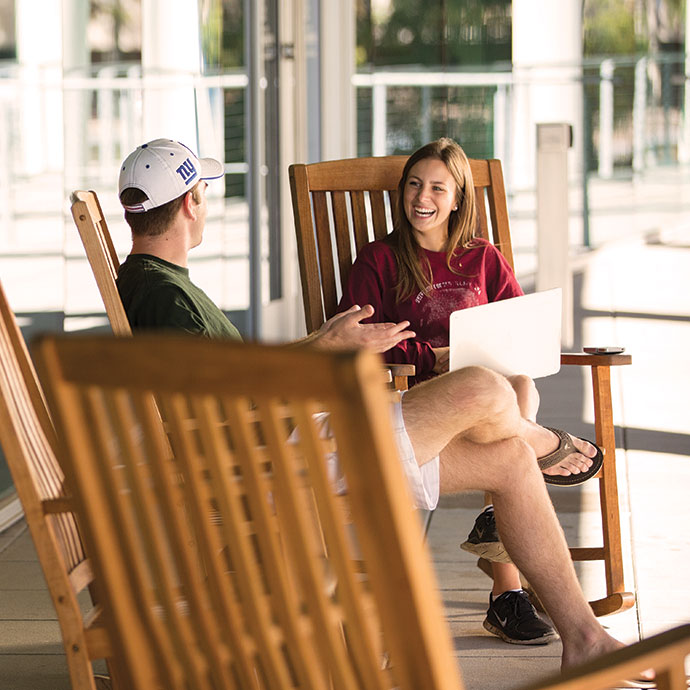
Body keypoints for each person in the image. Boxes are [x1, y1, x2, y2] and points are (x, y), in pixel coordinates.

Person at [114, 139, 651, 681]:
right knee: (485, 390)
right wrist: (323, 352)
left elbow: (230, 384)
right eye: (203, 191)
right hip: (279, 451)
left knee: (507, 459)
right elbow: (225, 402)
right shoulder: (165, 296)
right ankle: (546, 443)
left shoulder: (159, 285)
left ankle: (584, 640)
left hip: (289, 435)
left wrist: (321, 342)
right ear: (189, 204)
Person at [337, 137, 602, 646]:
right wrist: (427, 360)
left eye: (438, 186)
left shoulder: (482, 257)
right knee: (509, 418)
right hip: (417, 395)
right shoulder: (379, 260)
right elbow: (362, 341)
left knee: (520, 383)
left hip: (487, 393)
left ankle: (499, 544)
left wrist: (478, 358)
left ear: (457, 198)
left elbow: (520, 327)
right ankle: (507, 592)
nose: (422, 196)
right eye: (414, 184)